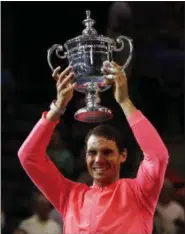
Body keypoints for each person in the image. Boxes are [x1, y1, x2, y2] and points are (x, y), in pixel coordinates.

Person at [18, 61, 169, 234]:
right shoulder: (70, 197)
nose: (98, 159)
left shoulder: (139, 192)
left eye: (107, 152)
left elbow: (157, 156)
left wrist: (125, 101)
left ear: (123, 156)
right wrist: (58, 108)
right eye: (92, 152)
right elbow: (28, 156)